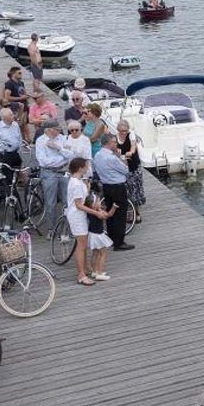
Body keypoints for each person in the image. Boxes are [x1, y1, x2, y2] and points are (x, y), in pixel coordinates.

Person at [66, 156, 112, 285]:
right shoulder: (75, 183)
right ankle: (81, 274)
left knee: (84, 245)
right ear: (80, 168)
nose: (87, 168)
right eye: (86, 166)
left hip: (80, 216)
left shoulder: (77, 181)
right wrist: (96, 213)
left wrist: (87, 188)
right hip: (77, 217)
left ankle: (85, 269)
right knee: (81, 246)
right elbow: (79, 205)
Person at [92, 138, 133, 250]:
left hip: (106, 186)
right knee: (120, 215)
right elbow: (125, 170)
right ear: (109, 143)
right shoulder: (111, 157)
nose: (116, 144)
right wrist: (121, 157)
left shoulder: (98, 155)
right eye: (114, 142)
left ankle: (111, 239)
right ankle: (119, 243)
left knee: (110, 213)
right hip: (117, 187)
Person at [33, 118, 69, 221]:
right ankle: (51, 228)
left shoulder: (63, 138)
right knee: (50, 202)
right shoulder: (40, 141)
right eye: (56, 129)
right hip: (48, 173)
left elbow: (70, 155)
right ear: (48, 130)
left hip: (63, 171)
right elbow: (43, 161)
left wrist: (59, 149)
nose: (59, 130)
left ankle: (67, 227)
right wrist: (62, 158)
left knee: (67, 200)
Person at [114, 120, 144, 224]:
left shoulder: (131, 135)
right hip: (122, 168)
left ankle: (137, 213)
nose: (123, 133)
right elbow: (114, 150)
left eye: (125, 131)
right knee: (125, 191)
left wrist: (130, 152)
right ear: (118, 130)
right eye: (121, 131)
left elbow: (133, 146)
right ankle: (128, 212)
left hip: (133, 167)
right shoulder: (115, 137)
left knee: (135, 190)